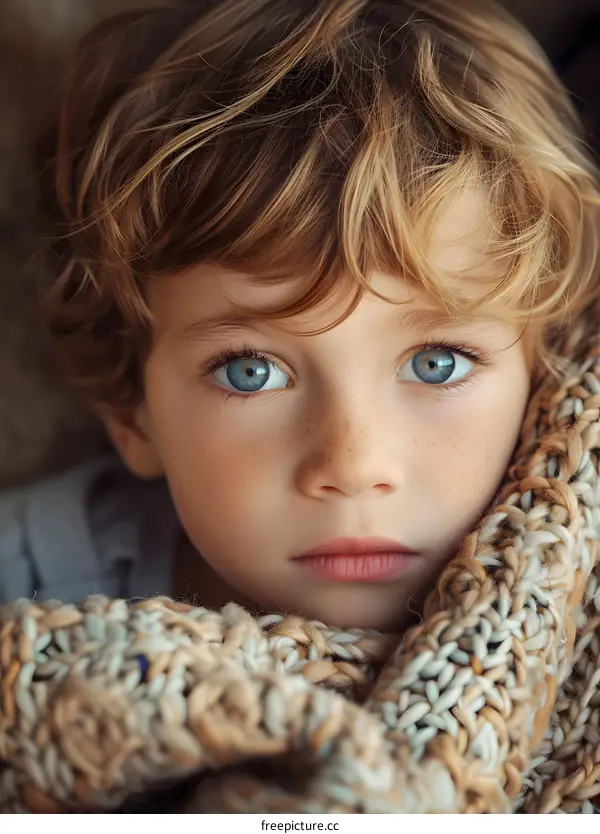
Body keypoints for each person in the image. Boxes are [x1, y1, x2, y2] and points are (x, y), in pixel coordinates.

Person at [1, 0, 599, 634]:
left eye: (437, 363)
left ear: (540, 376)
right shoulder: (29, 591)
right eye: (251, 373)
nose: (352, 466)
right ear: (132, 411)